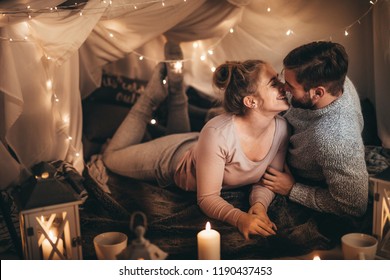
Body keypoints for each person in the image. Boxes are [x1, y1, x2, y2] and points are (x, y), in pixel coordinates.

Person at [102, 41, 290, 240]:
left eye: (278, 79)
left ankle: (176, 90)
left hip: (203, 148)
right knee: (109, 158)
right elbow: (207, 198)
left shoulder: (282, 129)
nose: (283, 86)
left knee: (188, 134)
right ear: (251, 101)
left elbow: (268, 181)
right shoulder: (218, 133)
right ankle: (151, 97)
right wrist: (240, 218)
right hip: (171, 158)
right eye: (273, 83)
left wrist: (259, 206)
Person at [261, 41, 369, 219]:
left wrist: (292, 189)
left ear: (318, 93)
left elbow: (355, 205)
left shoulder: (336, 140)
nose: (284, 88)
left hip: (299, 178)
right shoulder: (333, 78)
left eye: (290, 85)